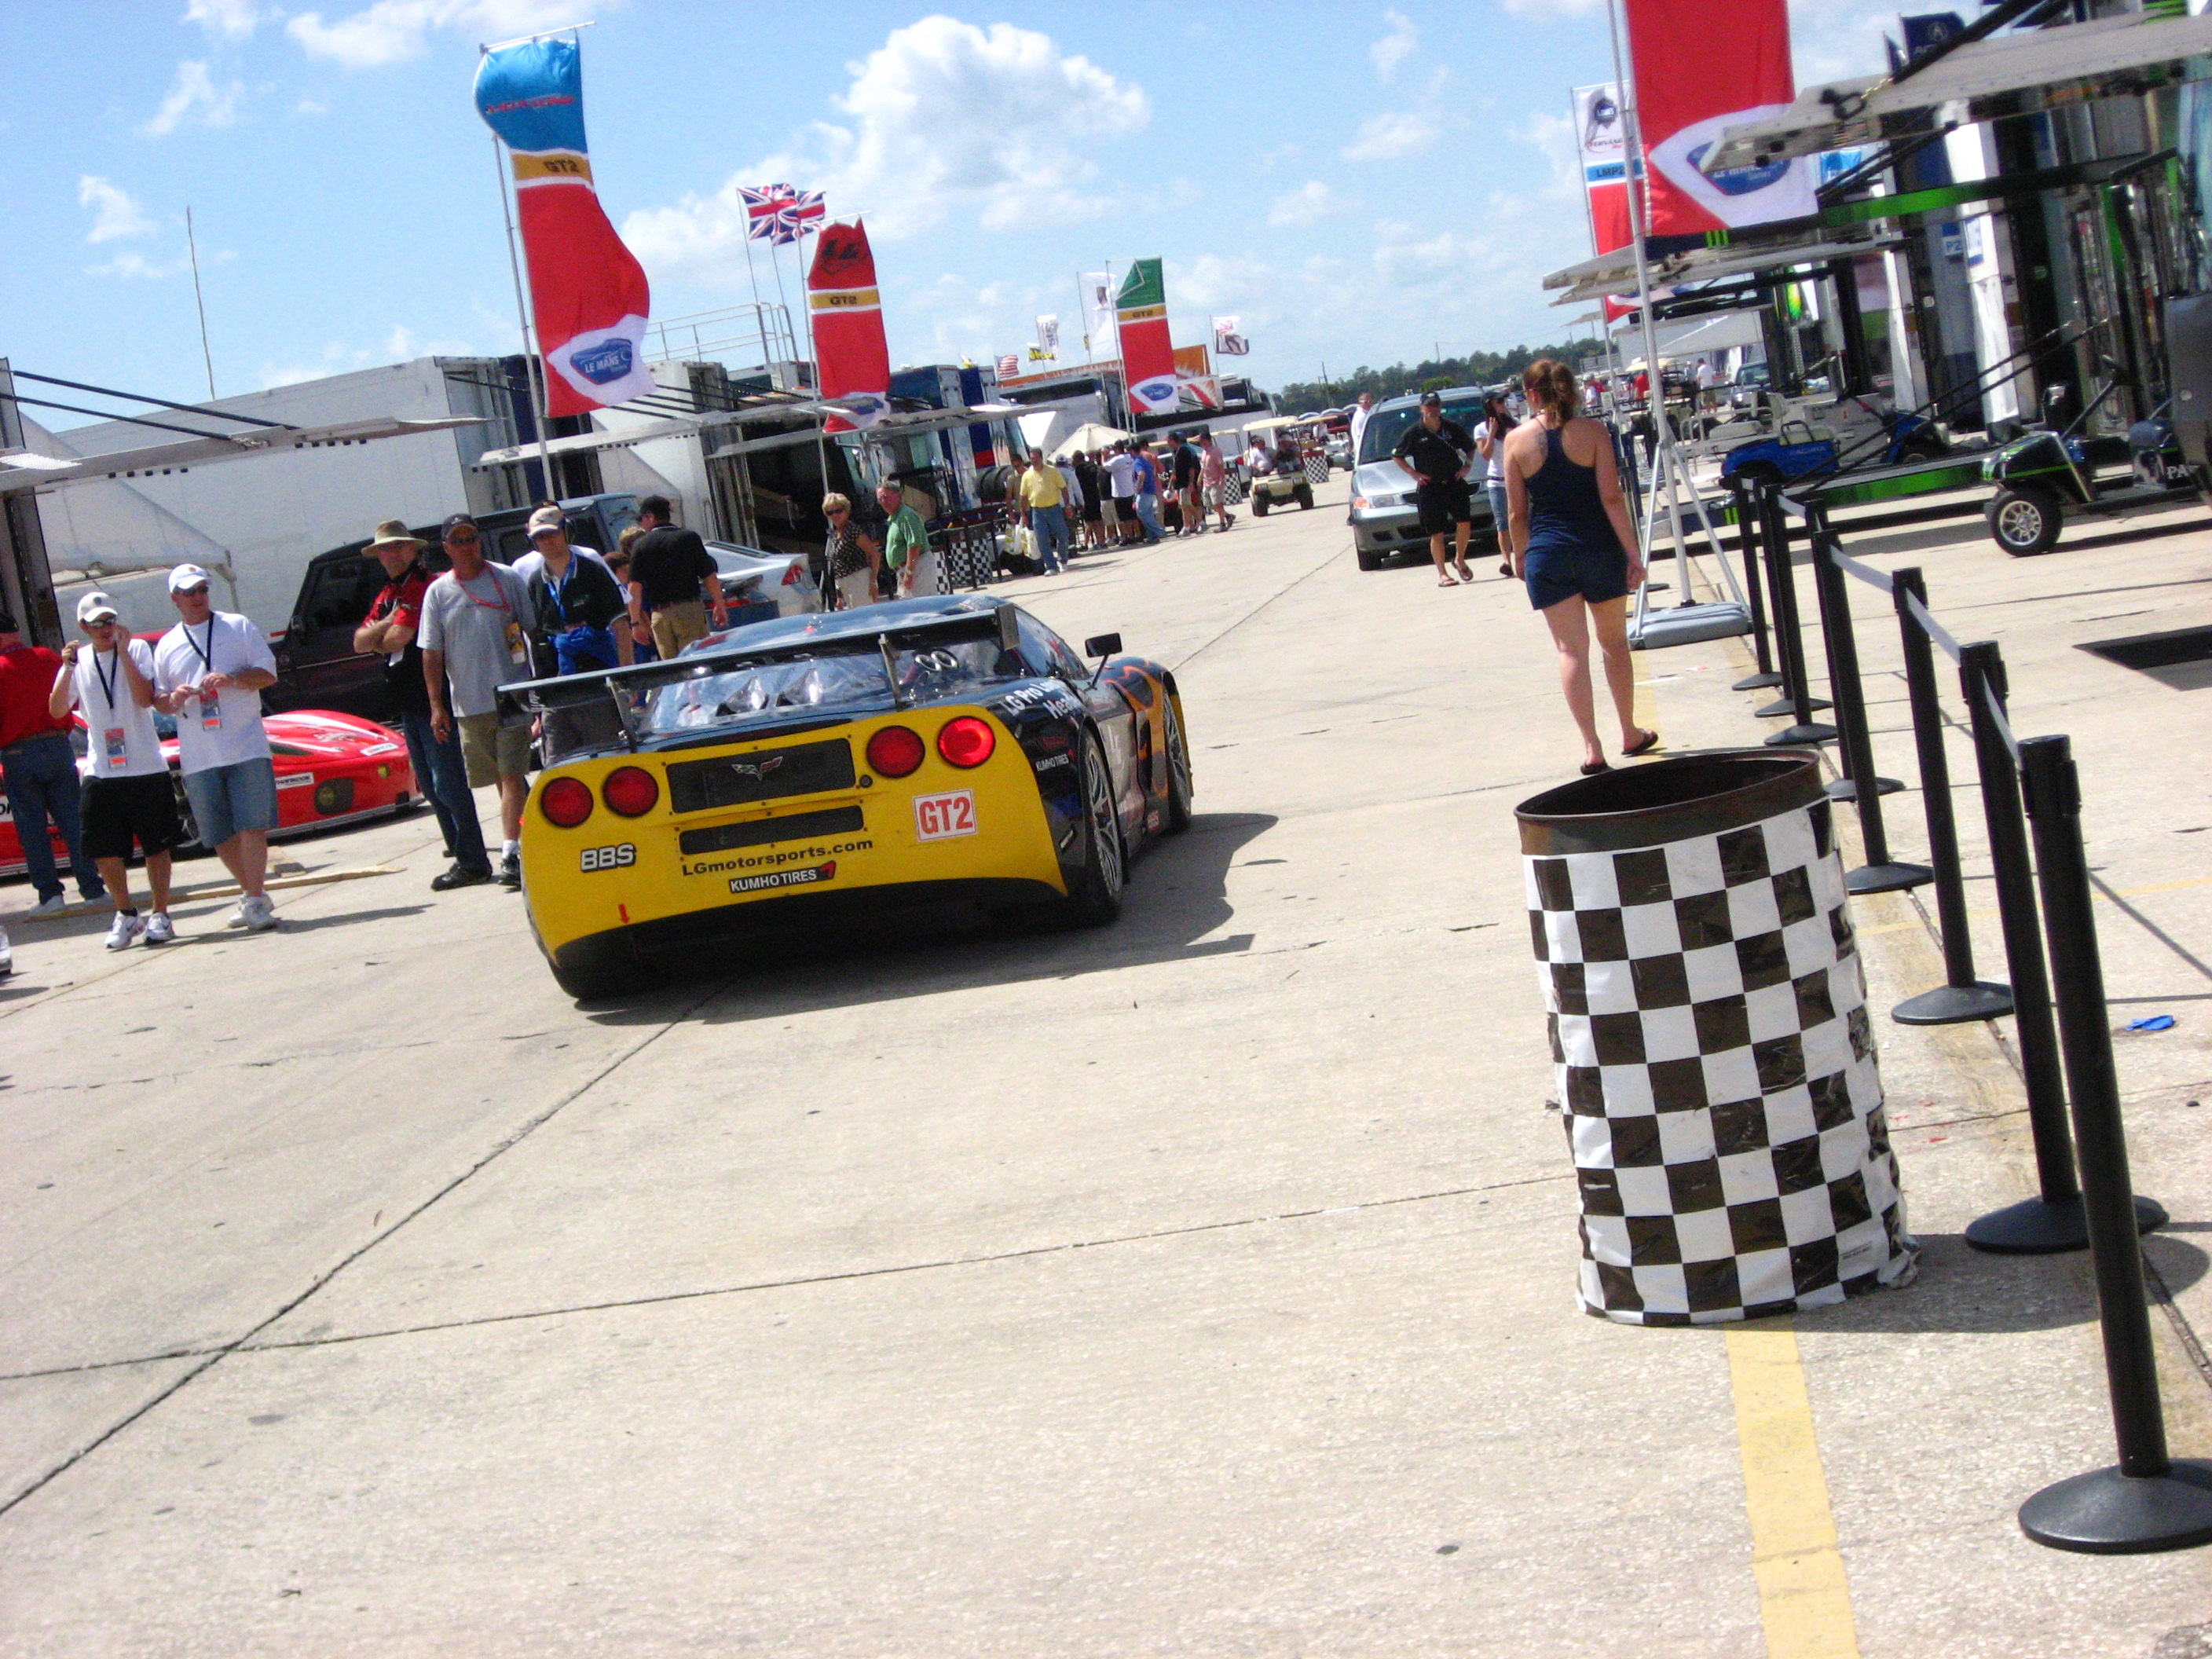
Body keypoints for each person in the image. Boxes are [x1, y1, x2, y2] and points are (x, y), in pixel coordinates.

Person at [1504, 358, 1657, 777]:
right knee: (1614, 643)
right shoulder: (1594, 432)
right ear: (1571, 389)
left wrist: (1521, 556)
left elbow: (1517, 514)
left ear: (1530, 394)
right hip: (1598, 546)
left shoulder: (1515, 441)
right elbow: (1611, 497)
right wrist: (1633, 553)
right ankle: (1629, 732)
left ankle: (1592, 748)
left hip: (1548, 552)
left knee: (1570, 650)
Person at [353, 519, 492, 892]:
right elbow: (359, 642)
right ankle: (463, 855)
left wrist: (382, 634)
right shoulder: (389, 593)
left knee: (449, 783)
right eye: (385, 548)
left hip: (436, 699)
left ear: (415, 549)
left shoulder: (424, 585)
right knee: (431, 787)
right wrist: (385, 628)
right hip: (409, 703)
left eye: (399, 546)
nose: (392, 553)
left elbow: (397, 638)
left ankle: (474, 860)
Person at [47, 591, 185, 947]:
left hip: (144, 765)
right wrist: (66, 668)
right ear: (84, 627)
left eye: (110, 621)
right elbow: (57, 710)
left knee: (156, 845)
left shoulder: (135, 649)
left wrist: (123, 653)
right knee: (102, 847)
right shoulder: (79, 660)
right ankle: (126, 913)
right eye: (97, 624)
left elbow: (144, 698)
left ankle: (160, 914)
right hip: (102, 769)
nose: (106, 628)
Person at [152, 563, 284, 930]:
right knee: (216, 833)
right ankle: (253, 895)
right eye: (189, 592)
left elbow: (268, 673)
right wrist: (173, 699)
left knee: (252, 824)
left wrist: (232, 679)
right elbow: (158, 699)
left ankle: (254, 900)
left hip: (245, 745)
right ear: (175, 598)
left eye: (202, 590)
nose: (197, 597)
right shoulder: (168, 644)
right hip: (199, 754)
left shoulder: (237, 626)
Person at [419, 515, 537, 889]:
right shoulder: (439, 592)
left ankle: (511, 854)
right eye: (458, 540)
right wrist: (437, 706)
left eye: (471, 538)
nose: (467, 545)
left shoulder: (507, 579)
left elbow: (532, 630)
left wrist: (536, 688)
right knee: (502, 780)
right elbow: (432, 652)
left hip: (512, 695)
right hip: (469, 703)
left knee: (511, 775)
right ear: (446, 548)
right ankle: (529, 844)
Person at [0, 606, 103, 917]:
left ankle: (50, 895)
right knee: (74, 821)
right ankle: (93, 889)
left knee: (32, 828)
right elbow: (71, 697)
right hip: (58, 746)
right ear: (16, 632)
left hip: (17, 753)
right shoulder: (47, 657)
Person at [523, 505, 633, 675]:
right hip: (561, 675)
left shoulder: (592, 571)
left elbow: (620, 624)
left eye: (552, 534)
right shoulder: (535, 582)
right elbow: (535, 632)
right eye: (540, 537)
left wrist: (626, 672)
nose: (547, 541)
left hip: (602, 667)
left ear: (567, 532)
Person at [624, 494, 727, 660]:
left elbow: (634, 587)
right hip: (689, 610)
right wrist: (720, 605)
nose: (640, 524)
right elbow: (709, 576)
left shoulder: (641, 545)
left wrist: (635, 623)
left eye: (641, 519)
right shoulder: (689, 538)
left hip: (660, 615)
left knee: (673, 669)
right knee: (697, 663)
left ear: (651, 517)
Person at [1392, 390, 1478, 587]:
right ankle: (1443, 574)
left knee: (1464, 523)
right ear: (1421, 408)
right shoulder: (1415, 432)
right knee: (1436, 533)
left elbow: (1470, 447)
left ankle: (1459, 559)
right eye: (1429, 405)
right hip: (1430, 488)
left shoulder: (1451, 428)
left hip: (1454, 483)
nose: (1433, 409)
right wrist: (1413, 472)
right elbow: (1397, 454)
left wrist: (1467, 466)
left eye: (1436, 404)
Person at [1474, 393, 1518, 580]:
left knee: (1519, 519)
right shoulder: (1481, 429)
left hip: (1515, 479)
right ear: (1489, 406)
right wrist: (1492, 433)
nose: (1503, 404)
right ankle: (1507, 561)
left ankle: (1522, 556)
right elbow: (1485, 455)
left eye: (1503, 401)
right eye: (1499, 401)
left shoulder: (1513, 424)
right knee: (1502, 523)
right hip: (1496, 481)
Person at [821, 493, 881, 610]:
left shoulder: (853, 530)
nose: (834, 515)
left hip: (859, 579)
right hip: (844, 584)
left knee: (864, 616)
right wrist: (839, 595)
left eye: (838, 511)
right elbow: (838, 566)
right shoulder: (835, 535)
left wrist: (873, 581)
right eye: (830, 512)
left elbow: (875, 554)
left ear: (846, 511)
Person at [879, 482, 937, 598]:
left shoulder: (907, 516)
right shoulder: (896, 518)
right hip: (905, 569)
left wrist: (909, 572)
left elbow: (914, 545)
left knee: (921, 603)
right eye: (880, 499)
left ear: (899, 496)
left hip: (917, 567)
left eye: (886, 497)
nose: (884, 502)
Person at [1017, 450, 1072, 573]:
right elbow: (1023, 497)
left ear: (1042, 458)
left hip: (1054, 509)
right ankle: (1051, 566)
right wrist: (1023, 514)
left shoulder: (1052, 471)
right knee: (1042, 539)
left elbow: (1063, 489)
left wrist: (1068, 505)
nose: (1034, 461)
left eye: (1036, 458)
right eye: (1032, 458)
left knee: (1063, 536)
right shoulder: (1027, 475)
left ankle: (1063, 560)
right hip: (1037, 511)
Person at [1196, 433, 1236, 531]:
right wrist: (1200, 478)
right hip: (1206, 482)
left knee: (1218, 504)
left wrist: (1222, 479)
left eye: (1201, 441)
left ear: (1207, 440)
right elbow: (1203, 467)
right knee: (1210, 505)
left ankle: (1222, 524)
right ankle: (1228, 516)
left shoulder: (1215, 451)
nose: (1200, 443)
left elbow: (1220, 466)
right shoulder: (1204, 452)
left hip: (1215, 481)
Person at [1103, 442, 1141, 544]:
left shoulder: (1117, 459)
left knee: (1125, 518)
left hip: (1120, 493)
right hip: (1131, 490)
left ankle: (1130, 536)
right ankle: (1138, 535)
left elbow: (1105, 467)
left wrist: (1104, 457)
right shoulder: (1129, 457)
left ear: (1117, 449)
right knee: (1133, 516)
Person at [1129, 443, 1166, 544]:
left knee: (1142, 513)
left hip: (1144, 491)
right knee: (1148, 513)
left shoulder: (1137, 462)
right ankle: (1152, 537)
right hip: (1151, 489)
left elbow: (1141, 473)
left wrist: (1139, 485)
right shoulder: (1145, 460)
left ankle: (1159, 531)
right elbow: (1153, 470)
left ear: (1133, 451)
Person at [1169, 434, 1203, 535]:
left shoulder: (1184, 451)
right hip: (1180, 483)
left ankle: (1187, 527)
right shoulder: (1177, 451)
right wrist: (1171, 483)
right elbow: (1175, 470)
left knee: (1186, 505)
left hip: (1185, 482)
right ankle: (1199, 523)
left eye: (1169, 441)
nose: (1168, 443)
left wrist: (1191, 483)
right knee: (1185, 505)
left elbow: (1191, 468)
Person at [1072, 449, 1106, 549]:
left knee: (1091, 521)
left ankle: (1091, 543)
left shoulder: (1079, 468)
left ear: (1077, 459)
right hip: (1096, 496)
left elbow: (1077, 485)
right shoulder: (1093, 466)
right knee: (1098, 520)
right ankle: (1099, 542)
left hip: (1086, 497)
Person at [1348, 391, 1375, 463]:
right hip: (1364, 453)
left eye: (1370, 401)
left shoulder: (1367, 414)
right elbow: (1362, 435)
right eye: (1366, 402)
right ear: (1360, 403)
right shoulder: (1361, 416)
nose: (1369, 404)